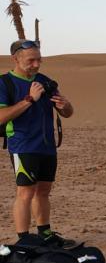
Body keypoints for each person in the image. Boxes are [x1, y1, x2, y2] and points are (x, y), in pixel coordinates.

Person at [0, 40, 75, 246]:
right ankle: (24, 239)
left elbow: (67, 113)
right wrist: (30, 99)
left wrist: (65, 105)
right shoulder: (4, 83)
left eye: (39, 59)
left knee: (43, 191)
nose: (36, 64)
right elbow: (1, 116)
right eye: (31, 60)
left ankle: (45, 233)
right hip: (23, 145)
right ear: (15, 59)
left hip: (47, 146)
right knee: (25, 192)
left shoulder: (45, 80)